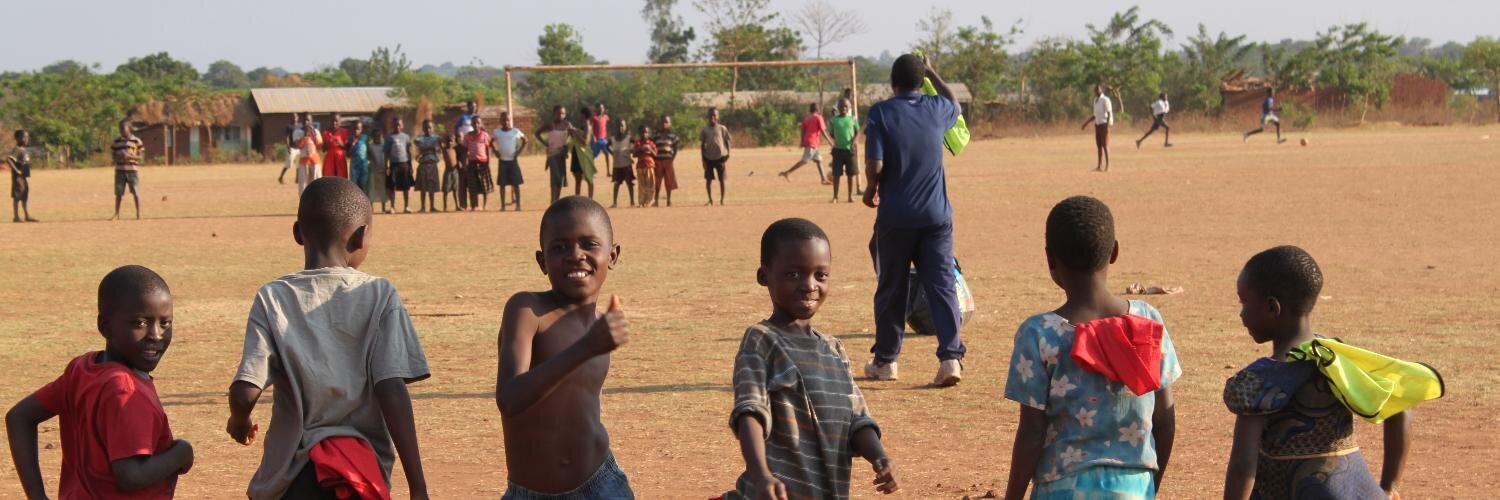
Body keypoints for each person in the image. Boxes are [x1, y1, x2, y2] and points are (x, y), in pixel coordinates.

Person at [227, 177, 431, 500]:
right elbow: (392, 390)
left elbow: (244, 391)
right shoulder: (379, 295)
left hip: (293, 478)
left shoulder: (273, 298)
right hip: (358, 476)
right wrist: (418, 486)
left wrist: (239, 420)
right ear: (362, 236)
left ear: (298, 233)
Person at [1001, 195, 1179, 499]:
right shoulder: (1148, 322)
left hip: (1063, 488)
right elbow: (1164, 420)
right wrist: (1149, 486)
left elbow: (1031, 432)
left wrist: (1013, 496)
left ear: (1050, 259)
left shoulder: (1039, 334)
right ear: (1114, 252)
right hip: (1134, 486)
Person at [724, 218, 899, 500]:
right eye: (793, 274)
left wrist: (880, 457)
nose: (809, 285)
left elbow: (856, 418)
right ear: (764, 276)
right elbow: (750, 412)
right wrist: (760, 474)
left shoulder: (834, 350)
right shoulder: (762, 340)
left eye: (821, 275)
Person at [1223, 246, 1411, 499]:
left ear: (1272, 307)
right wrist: (1390, 486)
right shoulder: (1340, 359)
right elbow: (1401, 406)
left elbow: (1243, 466)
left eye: (1244, 302)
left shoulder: (1259, 382)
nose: (1241, 313)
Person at [6, 265, 193, 499]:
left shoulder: (83, 369)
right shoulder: (126, 389)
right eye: (139, 323)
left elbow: (19, 416)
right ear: (105, 327)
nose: (156, 334)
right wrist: (182, 453)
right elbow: (130, 475)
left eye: (165, 323)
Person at [494, 196, 635, 498]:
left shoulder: (598, 328)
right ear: (542, 261)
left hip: (601, 484)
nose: (575, 255)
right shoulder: (528, 310)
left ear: (613, 255)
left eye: (589, 244)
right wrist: (586, 347)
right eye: (559, 247)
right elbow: (509, 398)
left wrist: (592, 343)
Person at [861, 54, 967, 386]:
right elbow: (955, 102)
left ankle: (887, 362)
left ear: (892, 83)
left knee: (892, 286)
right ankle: (951, 359)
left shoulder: (881, 112)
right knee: (942, 285)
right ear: (921, 82)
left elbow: (875, 164)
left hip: (896, 216)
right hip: (936, 216)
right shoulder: (937, 109)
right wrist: (933, 69)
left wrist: (871, 189)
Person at [778, 103, 832, 184]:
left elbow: (803, 131)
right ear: (818, 110)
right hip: (812, 142)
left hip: (810, 142)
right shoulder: (818, 117)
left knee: (819, 160)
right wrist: (830, 141)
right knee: (804, 161)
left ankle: (823, 179)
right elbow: (823, 130)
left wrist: (802, 141)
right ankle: (787, 172)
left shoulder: (807, 118)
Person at [540, 105, 583, 203]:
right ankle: (553, 200)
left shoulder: (567, 124)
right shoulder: (550, 125)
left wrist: (567, 145)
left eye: (563, 113)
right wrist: (545, 143)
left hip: (562, 155)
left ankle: (556, 201)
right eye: (558, 113)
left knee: (560, 179)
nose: (560, 115)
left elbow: (573, 135)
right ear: (554, 114)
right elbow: (537, 133)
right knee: (555, 178)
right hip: (552, 155)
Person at [491, 111, 528, 212]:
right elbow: (490, 142)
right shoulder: (497, 132)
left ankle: (518, 205)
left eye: (507, 120)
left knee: (516, 184)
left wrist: (519, 151)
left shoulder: (515, 131)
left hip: (512, 161)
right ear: (500, 121)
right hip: (502, 161)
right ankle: (503, 206)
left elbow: (525, 140)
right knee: (502, 184)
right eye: (503, 120)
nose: (505, 122)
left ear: (510, 120)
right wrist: (495, 152)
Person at [111, 119, 144, 221]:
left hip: (132, 171)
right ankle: (117, 214)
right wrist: (119, 157)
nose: (121, 131)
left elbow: (141, 157)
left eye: (123, 128)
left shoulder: (136, 141)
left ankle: (138, 214)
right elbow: (113, 157)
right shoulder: (116, 142)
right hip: (120, 170)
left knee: (136, 192)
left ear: (129, 128)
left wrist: (130, 157)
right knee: (119, 193)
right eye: (120, 129)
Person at [829, 98, 861, 203]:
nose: (844, 108)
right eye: (842, 106)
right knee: (836, 175)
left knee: (850, 175)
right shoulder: (834, 120)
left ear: (849, 108)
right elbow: (831, 133)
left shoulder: (852, 119)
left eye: (846, 106)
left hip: (850, 151)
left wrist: (855, 140)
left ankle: (850, 196)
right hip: (838, 150)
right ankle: (835, 196)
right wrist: (835, 141)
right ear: (838, 108)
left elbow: (857, 131)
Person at [700, 107, 731, 206]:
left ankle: (722, 200)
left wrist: (728, 153)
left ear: (718, 117)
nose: (712, 117)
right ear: (708, 117)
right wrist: (703, 160)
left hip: (720, 157)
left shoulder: (722, 128)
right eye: (710, 115)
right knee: (708, 180)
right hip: (708, 157)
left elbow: (727, 141)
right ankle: (710, 199)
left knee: (722, 180)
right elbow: (702, 145)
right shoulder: (705, 130)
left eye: (714, 115)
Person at [1080, 85, 1113, 172]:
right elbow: (1095, 115)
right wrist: (1085, 123)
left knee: (1105, 145)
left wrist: (1107, 126)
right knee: (1099, 146)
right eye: (1095, 90)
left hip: (1104, 124)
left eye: (1097, 90)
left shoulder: (1105, 99)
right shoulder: (1095, 100)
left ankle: (1108, 166)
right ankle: (1099, 166)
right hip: (1097, 125)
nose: (1096, 91)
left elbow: (1109, 113)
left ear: (1101, 90)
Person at [465, 116, 495, 211]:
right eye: (474, 123)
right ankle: (475, 205)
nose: (476, 125)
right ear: (471, 124)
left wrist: (488, 162)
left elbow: (488, 149)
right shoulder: (467, 136)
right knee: (473, 185)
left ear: (480, 124)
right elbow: (465, 150)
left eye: (478, 123)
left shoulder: (484, 135)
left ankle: (485, 205)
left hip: (483, 163)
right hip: (472, 162)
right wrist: (465, 163)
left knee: (484, 184)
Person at [8, 129, 38, 222]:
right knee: (17, 196)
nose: (26, 139)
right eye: (24, 137)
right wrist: (17, 170)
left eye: (27, 137)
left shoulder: (23, 150)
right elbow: (9, 159)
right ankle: (16, 217)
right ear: (18, 138)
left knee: (24, 195)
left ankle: (27, 215)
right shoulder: (17, 149)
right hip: (18, 178)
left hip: (23, 177)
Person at [387, 118, 416, 214]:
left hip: (404, 164)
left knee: (406, 186)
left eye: (399, 125)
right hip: (393, 164)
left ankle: (406, 206)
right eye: (395, 125)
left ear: (402, 126)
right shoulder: (389, 137)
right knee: (392, 186)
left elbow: (409, 152)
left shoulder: (406, 137)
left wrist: (410, 165)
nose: (397, 127)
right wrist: (386, 166)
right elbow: (386, 153)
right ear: (392, 126)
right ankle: (392, 207)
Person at [414, 119, 442, 213]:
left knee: (432, 186)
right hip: (423, 164)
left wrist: (426, 150)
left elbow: (440, 147)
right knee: (423, 187)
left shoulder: (437, 138)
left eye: (429, 127)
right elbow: (417, 144)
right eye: (426, 127)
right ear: (423, 128)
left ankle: (432, 206)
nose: (428, 129)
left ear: (433, 128)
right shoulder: (420, 139)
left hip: (432, 163)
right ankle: (422, 207)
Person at [651, 115, 680, 207]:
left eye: (666, 122)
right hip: (658, 161)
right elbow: (652, 147)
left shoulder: (673, 136)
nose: (664, 124)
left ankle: (668, 200)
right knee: (657, 182)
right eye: (663, 122)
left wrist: (672, 158)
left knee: (669, 181)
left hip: (668, 161)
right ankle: (656, 200)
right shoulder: (656, 136)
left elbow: (675, 149)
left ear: (670, 124)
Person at [608, 119, 636, 208]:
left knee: (629, 183)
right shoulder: (612, 139)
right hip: (617, 165)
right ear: (616, 127)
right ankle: (615, 202)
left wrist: (631, 151)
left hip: (627, 164)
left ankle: (632, 202)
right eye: (619, 125)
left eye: (622, 125)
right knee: (616, 183)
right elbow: (606, 146)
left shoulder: (629, 138)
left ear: (625, 127)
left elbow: (635, 145)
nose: (621, 127)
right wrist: (612, 152)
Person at [572, 107, 598, 199]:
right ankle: (577, 200)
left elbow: (585, 142)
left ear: (584, 114)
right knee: (577, 179)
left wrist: (575, 133)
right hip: (577, 154)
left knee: (588, 177)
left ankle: (590, 200)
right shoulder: (581, 125)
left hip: (584, 155)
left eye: (580, 114)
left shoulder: (587, 125)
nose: (579, 115)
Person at [294, 120, 323, 195]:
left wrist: (313, 135)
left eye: (308, 120)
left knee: (316, 181)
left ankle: (317, 198)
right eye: (305, 120)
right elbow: (299, 146)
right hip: (304, 161)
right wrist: (305, 136)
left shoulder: (316, 131)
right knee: (303, 183)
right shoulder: (298, 132)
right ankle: (303, 200)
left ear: (311, 121)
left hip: (315, 161)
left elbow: (319, 146)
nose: (307, 123)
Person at [633, 125, 657, 208]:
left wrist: (649, 149)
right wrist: (641, 148)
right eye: (642, 132)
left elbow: (655, 154)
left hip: (649, 166)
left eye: (646, 132)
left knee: (650, 184)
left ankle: (649, 201)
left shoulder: (651, 143)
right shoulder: (638, 143)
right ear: (639, 133)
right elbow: (634, 154)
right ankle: (641, 202)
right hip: (640, 166)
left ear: (648, 133)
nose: (644, 134)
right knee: (641, 185)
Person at [322, 114, 350, 179]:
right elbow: (323, 149)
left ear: (340, 122)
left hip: (340, 159)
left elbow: (347, 148)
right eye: (332, 121)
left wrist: (341, 144)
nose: (334, 123)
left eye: (336, 121)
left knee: (341, 178)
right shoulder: (326, 133)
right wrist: (328, 143)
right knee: (329, 179)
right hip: (329, 159)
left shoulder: (344, 132)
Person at [440, 134, 463, 212]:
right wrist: (442, 137)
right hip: (448, 172)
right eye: (448, 141)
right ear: (445, 142)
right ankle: (445, 207)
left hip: (455, 172)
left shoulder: (454, 150)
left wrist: (459, 163)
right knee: (445, 190)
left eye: (451, 141)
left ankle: (457, 206)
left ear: (454, 142)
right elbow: (439, 142)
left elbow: (457, 159)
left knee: (455, 190)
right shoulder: (444, 149)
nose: (449, 143)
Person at [279, 112, 302, 185]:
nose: (294, 118)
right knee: (288, 164)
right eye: (293, 117)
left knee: (299, 165)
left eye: (296, 117)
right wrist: (288, 146)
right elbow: (287, 137)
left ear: (298, 118)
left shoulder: (300, 126)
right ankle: (281, 177)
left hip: (299, 148)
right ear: (291, 118)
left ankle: (297, 179)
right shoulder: (289, 126)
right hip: (292, 148)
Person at [348, 121, 371, 195]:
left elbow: (369, 150)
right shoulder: (350, 139)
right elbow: (348, 155)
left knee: (364, 186)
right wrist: (353, 144)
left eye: (358, 129)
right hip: (354, 168)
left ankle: (365, 204)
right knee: (354, 187)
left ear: (361, 130)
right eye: (354, 128)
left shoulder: (365, 138)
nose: (356, 130)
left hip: (364, 167)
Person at [589, 102, 611, 171]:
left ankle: (608, 171)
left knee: (607, 154)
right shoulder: (594, 118)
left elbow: (608, 126)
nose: (601, 109)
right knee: (592, 156)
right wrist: (593, 137)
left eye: (602, 108)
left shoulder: (606, 117)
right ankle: (591, 171)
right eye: (599, 108)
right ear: (597, 109)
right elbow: (590, 128)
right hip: (596, 140)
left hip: (604, 140)